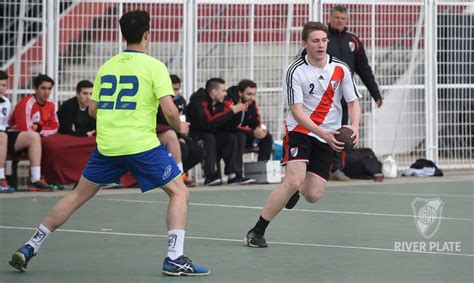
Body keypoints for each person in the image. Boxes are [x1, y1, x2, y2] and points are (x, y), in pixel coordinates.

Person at [8, 10, 210, 276]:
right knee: (179, 192)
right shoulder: (154, 66)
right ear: (147, 34)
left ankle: (30, 245)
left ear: (122, 35)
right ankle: (174, 257)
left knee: (76, 195)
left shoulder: (108, 66)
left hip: (107, 146)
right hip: (140, 145)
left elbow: (92, 111)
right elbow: (170, 111)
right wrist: (180, 126)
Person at [243, 21, 361, 247]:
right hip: (301, 130)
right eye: (315, 41)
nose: (321, 45)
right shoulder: (295, 70)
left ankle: (295, 191)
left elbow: (353, 102)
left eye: (324, 40)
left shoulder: (341, 69)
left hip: (329, 134)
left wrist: (354, 126)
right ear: (305, 43)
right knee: (293, 180)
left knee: (313, 195)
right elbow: (296, 112)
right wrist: (322, 133)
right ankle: (256, 232)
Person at [326, 5, 382, 181]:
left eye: (342, 18)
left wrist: (376, 93)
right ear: (330, 18)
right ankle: (316, 167)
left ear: (347, 20)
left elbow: (364, 69)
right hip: (322, 95)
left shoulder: (354, 42)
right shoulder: (322, 39)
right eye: (336, 18)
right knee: (318, 131)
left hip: (344, 96)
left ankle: (336, 168)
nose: (339, 21)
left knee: (341, 132)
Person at [186, 78, 255, 186]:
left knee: (231, 137)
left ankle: (233, 175)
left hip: (212, 133)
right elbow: (207, 124)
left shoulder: (220, 102)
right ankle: (209, 176)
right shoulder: (198, 101)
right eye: (223, 91)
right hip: (196, 134)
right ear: (214, 92)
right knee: (209, 138)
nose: (225, 93)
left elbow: (226, 124)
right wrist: (232, 111)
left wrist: (235, 113)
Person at [0, 71, 57, 192]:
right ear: (35, 88)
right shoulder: (26, 104)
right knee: (6, 136)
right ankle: (1, 179)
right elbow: (25, 128)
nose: (46, 92)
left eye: (4, 85)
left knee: (38, 138)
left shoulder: (6, 102)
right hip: (8, 137)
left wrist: (40, 129)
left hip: (8, 137)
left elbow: (55, 127)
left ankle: (36, 180)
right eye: (43, 88)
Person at [156, 74, 203, 187]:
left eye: (177, 89)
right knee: (179, 144)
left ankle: (180, 172)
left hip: (177, 134)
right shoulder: (157, 101)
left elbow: (182, 121)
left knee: (198, 152)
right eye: (172, 89)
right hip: (159, 134)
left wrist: (182, 137)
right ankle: (177, 175)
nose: (175, 92)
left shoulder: (181, 101)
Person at [226, 79, 273, 172]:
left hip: (244, 133)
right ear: (240, 93)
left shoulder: (251, 103)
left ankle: (261, 171)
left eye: (253, 94)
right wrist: (252, 132)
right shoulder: (229, 101)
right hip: (229, 134)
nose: (252, 97)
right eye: (249, 94)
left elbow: (256, 119)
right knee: (240, 137)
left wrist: (257, 130)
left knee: (267, 137)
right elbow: (230, 126)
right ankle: (237, 174)